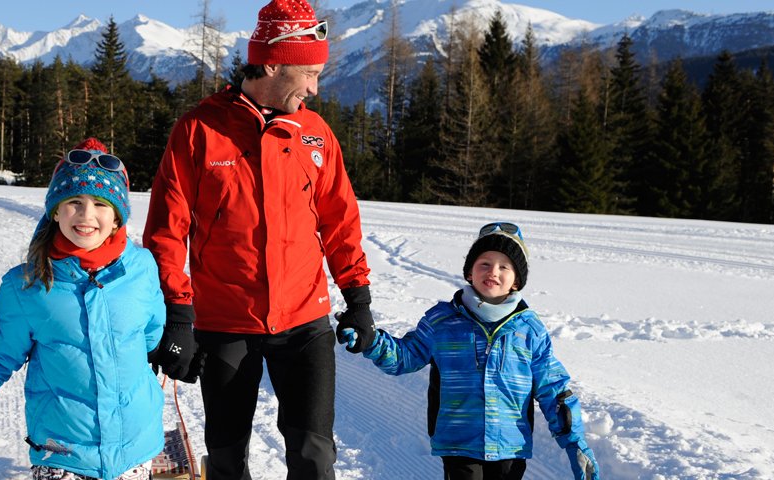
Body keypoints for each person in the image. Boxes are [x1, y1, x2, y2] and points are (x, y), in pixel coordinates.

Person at [142, 1, 374, 478]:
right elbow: (166, 231)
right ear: (270, 63)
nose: (314, 86)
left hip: (304, 320)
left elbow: (340, 222)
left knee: (314, 456)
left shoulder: (316, 134)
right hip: (225, 321)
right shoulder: (199, 130)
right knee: (227, 458)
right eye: (308, 73)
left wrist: (358, 297)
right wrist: (177, 314)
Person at [339, 222, 601, 480]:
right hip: (458, 442)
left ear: (516, 281)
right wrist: (371, 340)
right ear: (469, 273)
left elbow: (552, 389)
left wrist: (576, 443)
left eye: (504, 266)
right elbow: (404, 357)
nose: (493, 272)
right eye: (484, 264)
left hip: (511, 446)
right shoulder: (442, 321)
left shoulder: (529, 330)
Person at [0, 138, 166, 480]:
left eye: (100, 204)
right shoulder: (29, 285)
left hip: (133, 448)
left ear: (118, 214)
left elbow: (152, 335)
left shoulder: (141, 269)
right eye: (74, 202)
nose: (86, 215)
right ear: (55, 210)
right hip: (63, 453)